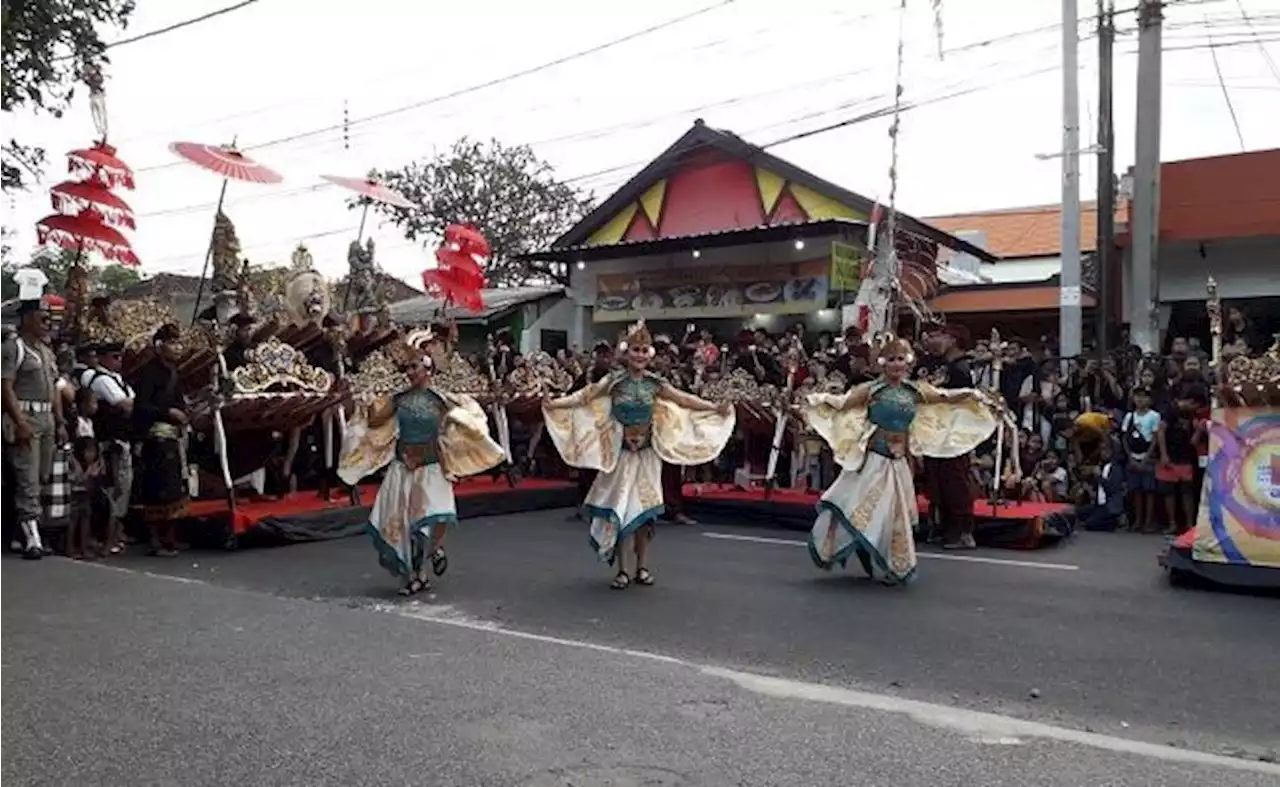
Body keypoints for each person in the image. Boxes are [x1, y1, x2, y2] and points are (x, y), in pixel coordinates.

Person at [542, 319, 734, 589]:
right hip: (620, 456)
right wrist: (555, 403)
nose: (640, 355)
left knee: (644, 514)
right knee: (619, 512)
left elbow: (683, 399)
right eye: (636, 350)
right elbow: (585, 396)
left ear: (650, 354)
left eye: (645, 350)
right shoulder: (614, 381)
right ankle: (621, 570)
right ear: (627, 353)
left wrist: (714, 407)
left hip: (647, 456)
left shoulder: (656, 384)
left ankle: (642, 567)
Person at [802, 336, 998, 585]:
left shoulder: (914, 391)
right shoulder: (870, 390)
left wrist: (972, 395)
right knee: (855, 508)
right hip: (872, 461)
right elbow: (842, 403)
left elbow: (945, 396)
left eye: (901, 359)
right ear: (883, 364)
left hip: (898, 463)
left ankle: (895, 564)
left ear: (908, 363)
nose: (897, 364)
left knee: (895, 516)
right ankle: (846, 547)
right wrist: (815, 400)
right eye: (891, 359)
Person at [338, 330, 505, 596]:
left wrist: (469, 416)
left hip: (431, 467)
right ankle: (416, 575)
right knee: (408, 526)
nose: (409, 372)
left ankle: (431, 556)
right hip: (403, 467)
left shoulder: (441, 399)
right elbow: (374, 421)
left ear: (427, 367)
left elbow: (470, 416)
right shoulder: (398, 399)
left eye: (414, 366)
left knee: (431, 520)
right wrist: (359, 402)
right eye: (407, 367)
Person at [0, 297, 67, 559]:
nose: (48, 322)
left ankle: (21, 533)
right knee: (27, 476)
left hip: (46, 417)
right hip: (25, 414)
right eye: (43, 317)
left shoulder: (46, 351)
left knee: (40, 477)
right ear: (27, 318)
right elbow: (5, 387)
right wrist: (19, 422)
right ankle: (33, 540)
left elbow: (55, 389)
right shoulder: (12, 347)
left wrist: (59, 422)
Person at [919, 323, 982, 550]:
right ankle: (942, 526)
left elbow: (964, 402)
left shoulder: (961, 368)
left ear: (952, 339)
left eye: (940, 335)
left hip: (953, 432)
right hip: (936, 431)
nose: (935, 340)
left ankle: (963, 530)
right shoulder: (941, 365)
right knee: (936, 480)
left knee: (954, 480)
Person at [129, 324, 189, 556]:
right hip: (154, 437)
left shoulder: (174, 372)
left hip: (173, 437)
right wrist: (168, 413)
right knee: (156, 490)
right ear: (159, 346)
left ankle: (170, 536)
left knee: (174, 488)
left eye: (178, 342)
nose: (177, 347)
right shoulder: (149, 373)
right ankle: (155, 540)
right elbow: (142, 406)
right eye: (172, 343)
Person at [82, 340, 135, 555]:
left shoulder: (118, 379)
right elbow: (124, 403)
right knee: (114, 490)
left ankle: (115, 534)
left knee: (122, 490)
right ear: (102, 358)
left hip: (121, 440)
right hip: (111, 442)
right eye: (114, 357)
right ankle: (107, 538)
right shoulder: (102, 379)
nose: (119, 361)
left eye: (120, 357)